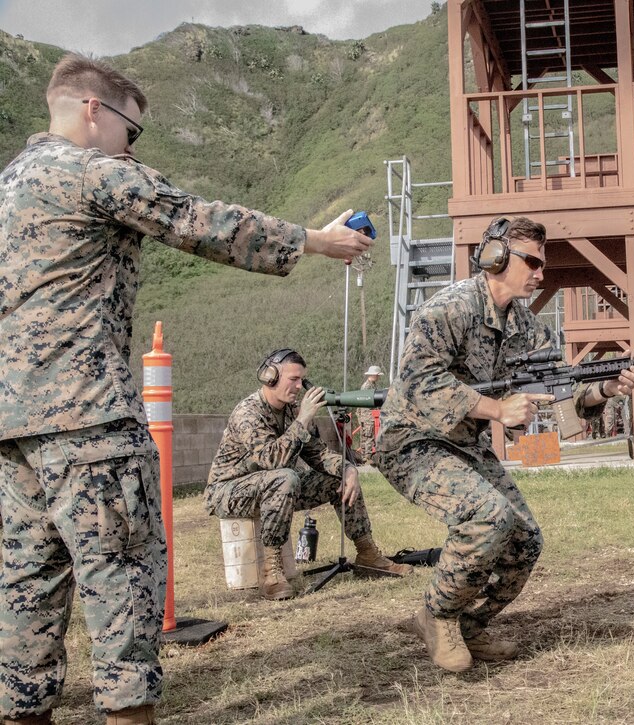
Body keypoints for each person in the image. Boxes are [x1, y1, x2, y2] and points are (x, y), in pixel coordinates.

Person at [0, 55, 373, 725]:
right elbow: (197, 219)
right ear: (93, 109)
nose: (132, 147)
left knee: (26, 599)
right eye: (131, 132)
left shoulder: (8, 187)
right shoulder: (90, 171)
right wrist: (315, 241)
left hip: (14, 430)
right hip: (89, 424)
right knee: (123, 594)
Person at [373, 216, 634, 673]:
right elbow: (419, 381)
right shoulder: (448, 310)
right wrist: (498, 410)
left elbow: (566, 393)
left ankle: (470, 625)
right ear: (496, 258)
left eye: (543, 263)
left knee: (524, 541)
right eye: (532, 261)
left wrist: (606, 389)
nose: (541, 272)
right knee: (488, 516)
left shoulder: (528, 328)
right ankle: (436, 616)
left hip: (464, 445)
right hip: (413, 440)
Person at [204, 350, 410, 601]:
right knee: (285, 477)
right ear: (270, 377)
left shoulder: (292, 411)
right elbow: (272, 460)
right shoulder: (248, 412)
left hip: (275, 487)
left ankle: (366, 553)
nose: (299, 386)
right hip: (228, 491)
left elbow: (319, 455)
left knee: (337, 478)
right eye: (293, 379)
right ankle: (271, 571)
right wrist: (303, 418)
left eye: (302, 380)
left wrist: (348, 469)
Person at [353, 365, 384, 463]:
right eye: (378, 375)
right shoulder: (367, 387)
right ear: (374, 375)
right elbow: (366, 401)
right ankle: (367, 456)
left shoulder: (372, 385)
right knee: (368, 435)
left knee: (367, 435)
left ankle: (365, 456)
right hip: (367, 415)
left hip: (369, 414)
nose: (379, 377)